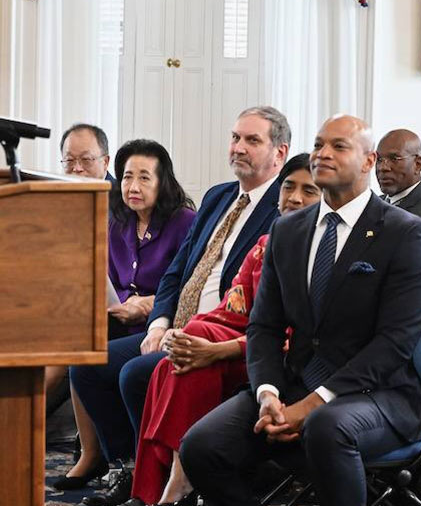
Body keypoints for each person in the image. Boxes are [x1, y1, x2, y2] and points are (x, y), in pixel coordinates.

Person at [179, 114, 421, 506]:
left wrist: (314, 403)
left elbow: (395, 344)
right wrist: (266, 392)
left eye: (339, 146)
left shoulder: (405, 233)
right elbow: (264, 325)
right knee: (201, 446)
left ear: (369, 161)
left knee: (325, 427)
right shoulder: (288, 229)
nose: (323, 154)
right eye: (318, 145)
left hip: (376, 394)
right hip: (290, 385)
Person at [75, 107, 290, 506]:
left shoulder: (286, 207)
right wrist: (158, 322)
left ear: (279, 153)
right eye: (235, 137)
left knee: (136, 373)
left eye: (252, 141)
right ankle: (126, 467)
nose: (239, 148)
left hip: (226, 330)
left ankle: (163, 484)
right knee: (89, 363)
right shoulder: (219, 196)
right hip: (176, 322)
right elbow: (176, 272)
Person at [123, 154, 319, 506]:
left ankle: (174, 485)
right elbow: (230, 310)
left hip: (276, 362)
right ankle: (156, 486)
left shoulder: (319, 258)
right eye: (289, 187)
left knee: (192, 365)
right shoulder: (263, 245)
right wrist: (188, 335)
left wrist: (210, 348)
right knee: (179, 356)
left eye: (310, 190)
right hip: (241, 344)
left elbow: (289, 337)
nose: (295, 198)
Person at [57, 139, 197, 489]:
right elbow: (108, 279)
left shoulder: (186, 223)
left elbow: (190, 286)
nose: (133, 187)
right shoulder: (117, 221)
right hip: (120, 319)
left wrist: (147, 303)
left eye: (144, 178)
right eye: (127, 177)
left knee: (102, 364)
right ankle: (109, 456)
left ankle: (130, 463)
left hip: (161, 325)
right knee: (78, 345)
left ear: (163, 182)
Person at [375, 128, 421, 220]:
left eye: (394, 159)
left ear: (418, 164)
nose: (383, 167)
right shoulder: (374, 206)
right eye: (379, 160)